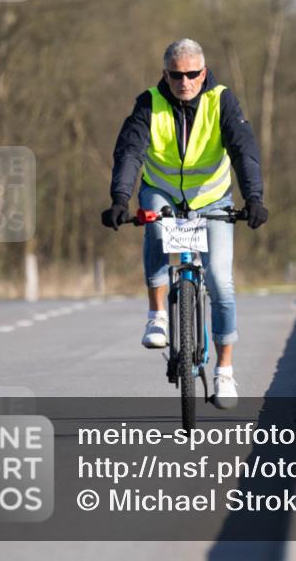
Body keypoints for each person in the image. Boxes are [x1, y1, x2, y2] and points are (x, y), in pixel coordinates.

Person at [101, 39, 268, 407]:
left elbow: (244, 150)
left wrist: (254, 198)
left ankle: (225, 372)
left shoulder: (221, 100)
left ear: (203, 73)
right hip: (162, 191)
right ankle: (157, 315)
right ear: (165, 75)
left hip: (212, 198)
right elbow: (130, 151)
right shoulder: (149, 103)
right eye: (176, 75)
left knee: (221, 281)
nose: (185, 82)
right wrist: (119, 199)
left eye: (192, 74)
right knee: (155, 227)